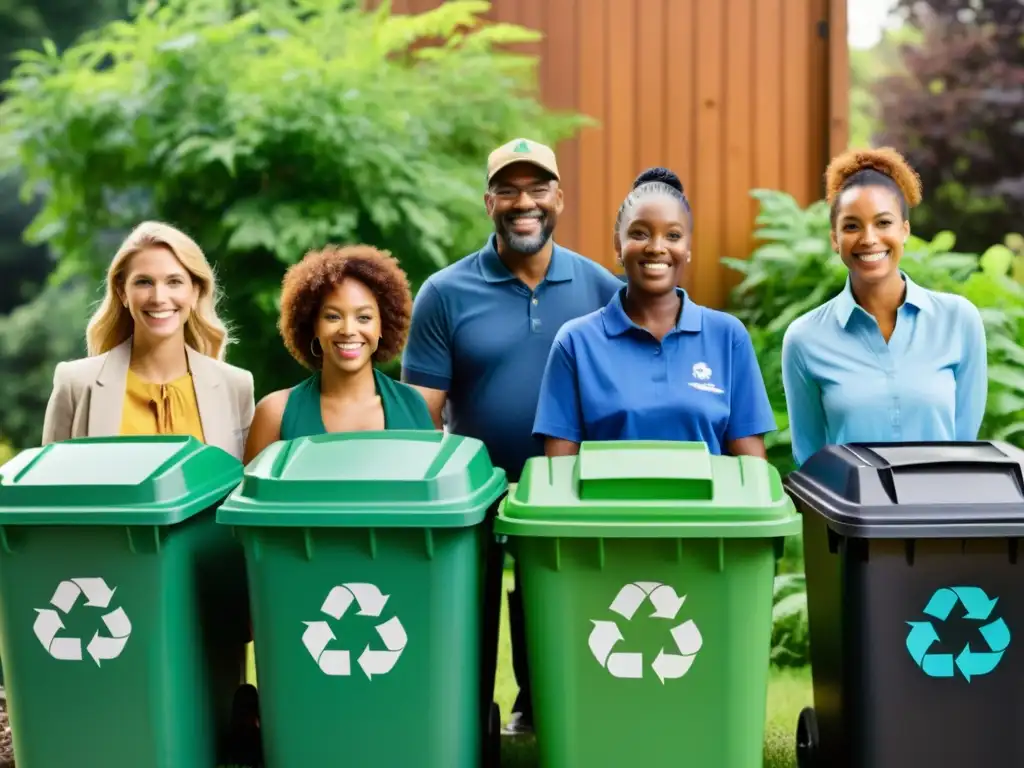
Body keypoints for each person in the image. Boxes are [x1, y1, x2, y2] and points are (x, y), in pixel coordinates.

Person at [402, 138, 623, 736]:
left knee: (549, 601)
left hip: (565, 487)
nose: (523, 202)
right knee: (464, 604)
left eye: (536, 189)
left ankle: (545, 706)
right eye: (508, 190)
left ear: (559, 198)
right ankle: (459, 711)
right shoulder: (445, 293)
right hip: (474, 486)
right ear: (488, 201)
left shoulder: (602, 287)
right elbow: (423, 412)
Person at [533, 167, 776, 458]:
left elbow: (751, 469)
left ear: (687, 248)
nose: (656, 247)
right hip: (606, 505)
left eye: (673, 235)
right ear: (618, 246)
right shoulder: (576, 342)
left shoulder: (728, 336)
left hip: (708, 506)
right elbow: (558, 472)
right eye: (639, 233)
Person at [781, 147, 988, 467]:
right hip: (854, 516)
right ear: (835, 239)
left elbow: (964, 439)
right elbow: (810, 459)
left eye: (883, 223)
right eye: (851, 226)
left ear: (904, 230)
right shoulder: (805, 338)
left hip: (941, 511)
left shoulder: (959, 320)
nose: (869, 238)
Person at [41, 221, 255, 460]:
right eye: (144, 282)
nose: (159, 298)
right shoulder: (75, 384)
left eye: (174, 281)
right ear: (122, 292)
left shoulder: (236, 387)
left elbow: (243, 488)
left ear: (195, 292)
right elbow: (48, 491)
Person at [243, 244, 432, 462]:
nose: (349, 331)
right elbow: (252, 494)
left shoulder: (412, 405)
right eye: (333, 317)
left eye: (364, 318)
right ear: (312, 325)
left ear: (384, 325)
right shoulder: (276, 413)